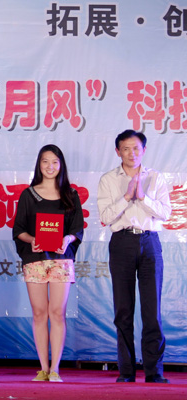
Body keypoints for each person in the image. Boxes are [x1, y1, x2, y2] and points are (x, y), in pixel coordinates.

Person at [97, 130, 171, 384]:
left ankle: (154, 371)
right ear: (118, 151)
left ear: (144, 150)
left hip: (150, 243)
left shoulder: (155, 178)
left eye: (136, 148)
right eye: (126, 148)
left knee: (152, 310)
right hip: (122, 242)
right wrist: (127, 196)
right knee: (123, 309)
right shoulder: (108, 179)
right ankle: (126, 371)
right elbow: (105, 217)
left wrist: (143, 197)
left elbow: (166, 213)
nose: (132, 153)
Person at [12, 144, 84, 383]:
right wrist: (32, 240)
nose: (50, 166)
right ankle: (43, 368)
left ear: (61, 165)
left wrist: (67, 239)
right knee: (39, 312)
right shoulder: (29, 194)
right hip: (35, 260)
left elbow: (77, 229)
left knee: (57, 313)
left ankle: (55, 369)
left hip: (61, 261)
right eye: (45, 161)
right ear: (39, 164)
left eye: (54, 162)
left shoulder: (70, 195)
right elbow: (19, 229)